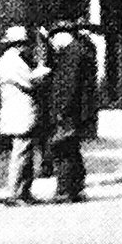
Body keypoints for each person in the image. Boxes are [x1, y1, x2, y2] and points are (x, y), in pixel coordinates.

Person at [0, 26, 48, 203]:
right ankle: (16, 192)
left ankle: (23, 192)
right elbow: (29, 82)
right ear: (19, 44)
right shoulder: (12, 62)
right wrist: (42, 71)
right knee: (21, 155)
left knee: (25, 154)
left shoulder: (13, 60)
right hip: (20, 113)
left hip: (21, 113)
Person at [45, 23, 97, 202]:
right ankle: (76, 188)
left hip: (68, 112)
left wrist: (61, 110)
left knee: (62, 148)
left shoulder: (71, 55)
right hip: (78, 111)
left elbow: (69, 87)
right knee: (72, 148)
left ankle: (65, 190)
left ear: (60, 36)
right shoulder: (80, 52)